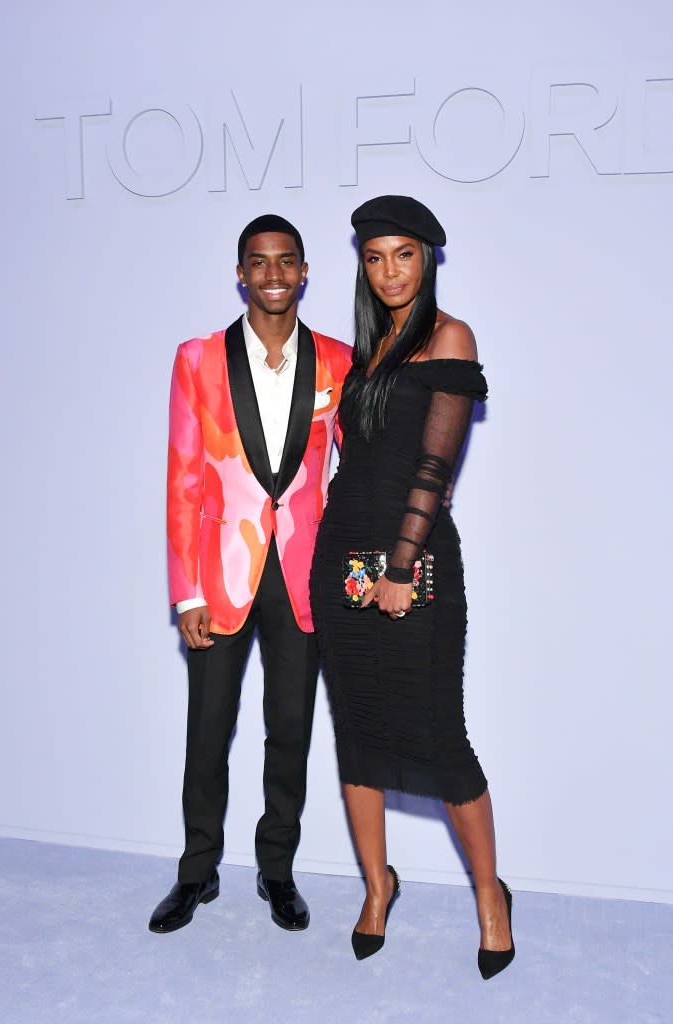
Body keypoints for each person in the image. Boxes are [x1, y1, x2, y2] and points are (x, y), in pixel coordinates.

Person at [309, 195, 514, 978]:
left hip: (411, 558)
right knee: (357, 730)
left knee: (437, 735)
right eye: (374, 256)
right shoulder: (372, 348)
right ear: (361, 264)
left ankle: (489, 896)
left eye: (404, 253)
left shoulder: (446, 336)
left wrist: (399, 568)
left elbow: (435, 466)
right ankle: (375, 887)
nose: (389, 271)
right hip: (342, 556)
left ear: (428, 257)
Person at [149, 215, 351, 935]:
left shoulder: (337, 361)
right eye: (258, 262)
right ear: (241, 273)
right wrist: (186, 592)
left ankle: (276, 871)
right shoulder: (198, 359)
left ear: (303, 272)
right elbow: (184, 479)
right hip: (220, 576)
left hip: (302, 576)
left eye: (285, 261)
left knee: (289, 729)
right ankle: (196, 873)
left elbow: (351, 471)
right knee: (208, 729)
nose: (272, 274)